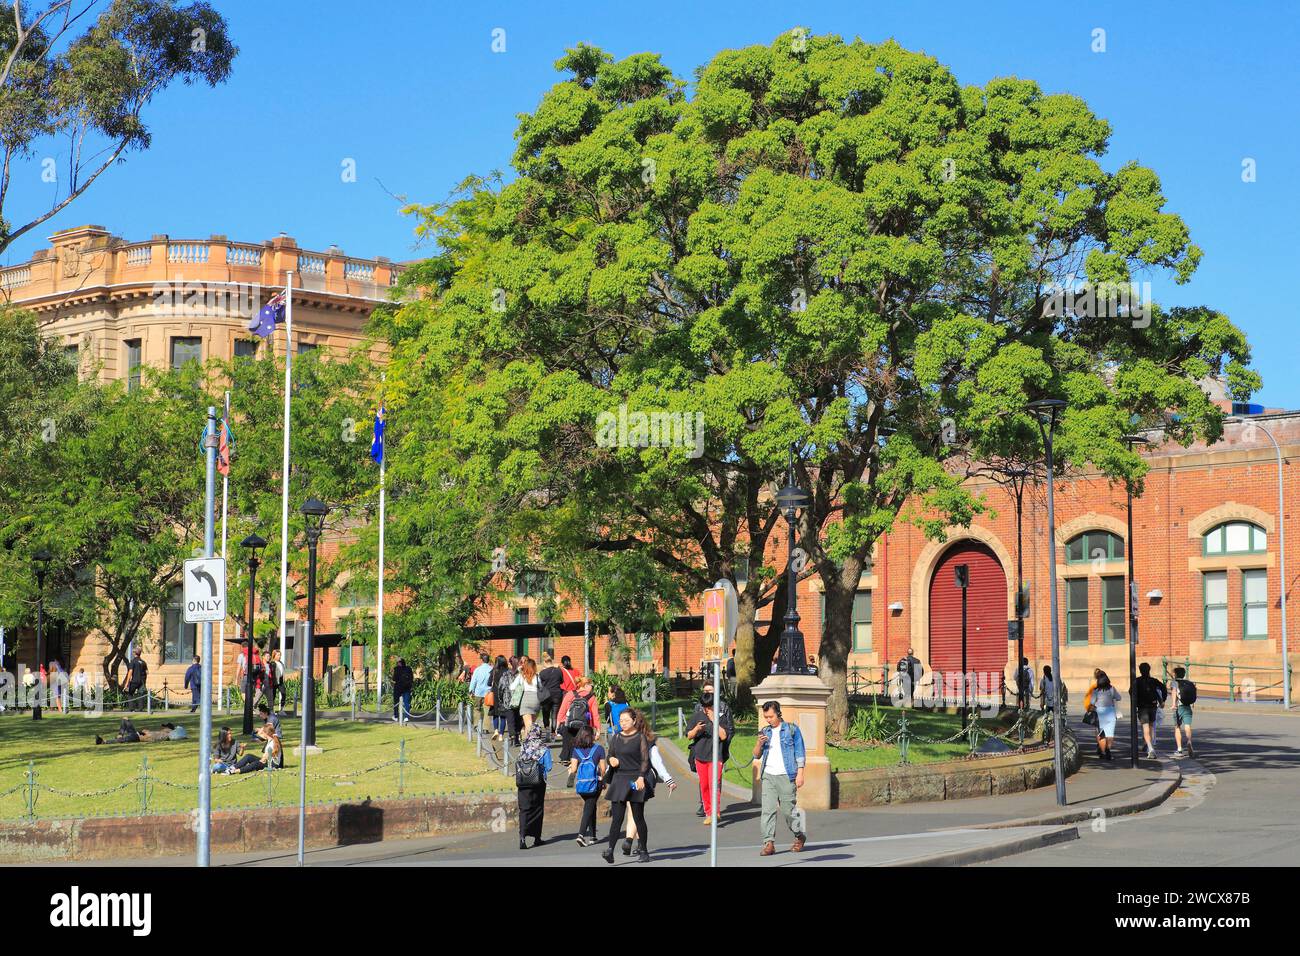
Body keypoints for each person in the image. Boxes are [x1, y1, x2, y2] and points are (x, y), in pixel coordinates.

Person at [617, 709, 676, 856]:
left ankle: (630, 840)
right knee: (637, 812)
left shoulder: (627, 740)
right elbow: (658, 763)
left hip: (631, 780)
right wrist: (668, 779)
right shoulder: (648, 742)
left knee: (633, 811)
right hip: (641, 780)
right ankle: (636, 843)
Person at [753, 700, 807, 855]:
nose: (768, 719)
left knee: (788, 811)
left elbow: (800, 752)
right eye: (766, 717)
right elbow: (756, 755)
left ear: (778, 713)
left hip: (787, 775)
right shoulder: (765, 731)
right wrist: (759, 743)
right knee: (767, 811)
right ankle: (768, 843)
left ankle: (799, 836)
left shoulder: (791, 730)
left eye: (770, 716)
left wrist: (800, 774)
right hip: (768, 775)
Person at [601, 707, 651, 864]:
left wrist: (642, 777)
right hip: (619, 779)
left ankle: (644, 850)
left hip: (635, 779)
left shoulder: (640, 737)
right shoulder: (616, 737)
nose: (622, 723)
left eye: (626, 720)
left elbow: (645, 760)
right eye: (620, 721)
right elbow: (610, 754)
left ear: (634, 720)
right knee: (617, 818)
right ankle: (610, 850)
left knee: (638, 816)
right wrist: (611, 760)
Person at [687, 682, 733, 816]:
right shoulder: (697, 714)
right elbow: (689, 735)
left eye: (709, 706)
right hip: (701, 755)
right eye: (705, 707)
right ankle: (707, 811)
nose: (706, 709)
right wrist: (696, 729)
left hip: (716, 755)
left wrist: (714, 720)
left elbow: (724, 735)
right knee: (705, 785)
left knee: (714, 784)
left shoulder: (722, 714)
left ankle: (715, 811)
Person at [514, 724, 553, 849]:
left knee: (524, 809)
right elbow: (549, 767)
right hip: (538, 782)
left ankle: (522, 838)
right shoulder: (544, 748)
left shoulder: (523, 746)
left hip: (523, 782)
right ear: (539, 734)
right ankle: (537, 838)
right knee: (537, 808)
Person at [568, 724, 607, 846]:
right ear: (591, 736)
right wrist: (604, 781)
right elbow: (603, 768)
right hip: (595, 784)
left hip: (582, 785)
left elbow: (573, 769)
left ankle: (593, 836)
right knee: (589, 808)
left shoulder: (576, 750)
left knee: (591, 806)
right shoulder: (599, 749)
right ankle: (581, 834)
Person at [556, 674, 600, 767]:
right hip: (584, 727)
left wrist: (558, 725)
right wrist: (597, 730)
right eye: (591, 686)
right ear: (586, 685)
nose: (591, 688)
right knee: (583, 750)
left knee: (568, 750)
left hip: (568, 726)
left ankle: (568, 765)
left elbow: (562, 711)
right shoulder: (591, 697)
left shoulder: (570, 694)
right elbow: (595, 715)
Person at [1083, 669, 1121, 761]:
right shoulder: (1112, 689)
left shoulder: (1096, 691)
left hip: (1099, 713)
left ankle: (1103, 752)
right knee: (1110, 734)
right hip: (1111, 713)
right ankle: (1108, 750)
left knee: (1101, 735)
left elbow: (1092, 702)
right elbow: (1119, 697)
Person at [1132, 662, 1168, 759]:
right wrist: (1163, 700)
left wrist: (1135, 702)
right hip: (1153, 706)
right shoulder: (1153, 680)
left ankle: (1150, 748)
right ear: (1149, 670)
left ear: (1140, 670)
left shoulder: (1137, 681)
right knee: (1151, 727)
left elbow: (1131, 692)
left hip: (1142, 707)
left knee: (1145, 728)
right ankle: (1147, 744)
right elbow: (1163, 688)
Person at [1169, 666, 1197, 758]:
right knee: (1187, 726)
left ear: (1175, 674)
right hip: (1187, 707)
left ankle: (1179, 749)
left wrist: (1173, 704)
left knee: (1177, 727)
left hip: (1179, 707)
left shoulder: (1175, 683)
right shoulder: (1189, 683)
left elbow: (1173, 692)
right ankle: (1189, 742)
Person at [513, 657, 542, 735]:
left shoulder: (522, 676)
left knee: (528, 725)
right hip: (536, 700)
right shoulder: (537, 676)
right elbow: (541, 687)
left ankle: (529, 743)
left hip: (526, 699)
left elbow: (512, 687)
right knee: (531, 724)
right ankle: (529, 742)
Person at [537, 653, 564, 736]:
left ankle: (547, 729)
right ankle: (553, 732)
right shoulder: (559, 671)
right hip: (557, 694)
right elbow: (561, 681)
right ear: (551, 661)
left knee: (546, 714)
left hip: (546, 696)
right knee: (554, 715)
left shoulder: (542, 673)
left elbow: (539, 685)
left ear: (544, 663)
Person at [468, 652, 493, 734]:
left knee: (476, 709)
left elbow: (473, 681)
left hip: (478, 692)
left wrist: (471, 690)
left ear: (482, 660)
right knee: (487, 711)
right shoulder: (491, 669)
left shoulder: (477, 670)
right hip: (488, 693)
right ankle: (485, 728)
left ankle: (476, 726)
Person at [490, 656, 514, 742]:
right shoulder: (508, 672)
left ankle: (495, 730)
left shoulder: (494, 671)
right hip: (505, 694)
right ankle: (501, 735)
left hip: (495, 694)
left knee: (495, 714)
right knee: (503, 716)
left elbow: (489, 683)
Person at [391, 657, 414, 722]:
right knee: (406, 702)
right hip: (407, 688)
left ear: (399, 663)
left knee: (396, 702)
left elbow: (394, 678)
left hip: (398, 688)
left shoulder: (396, 669)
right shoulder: (408, 669)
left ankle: (396, 716)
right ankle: (406, 717)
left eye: (397, 662)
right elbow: (412, 678)